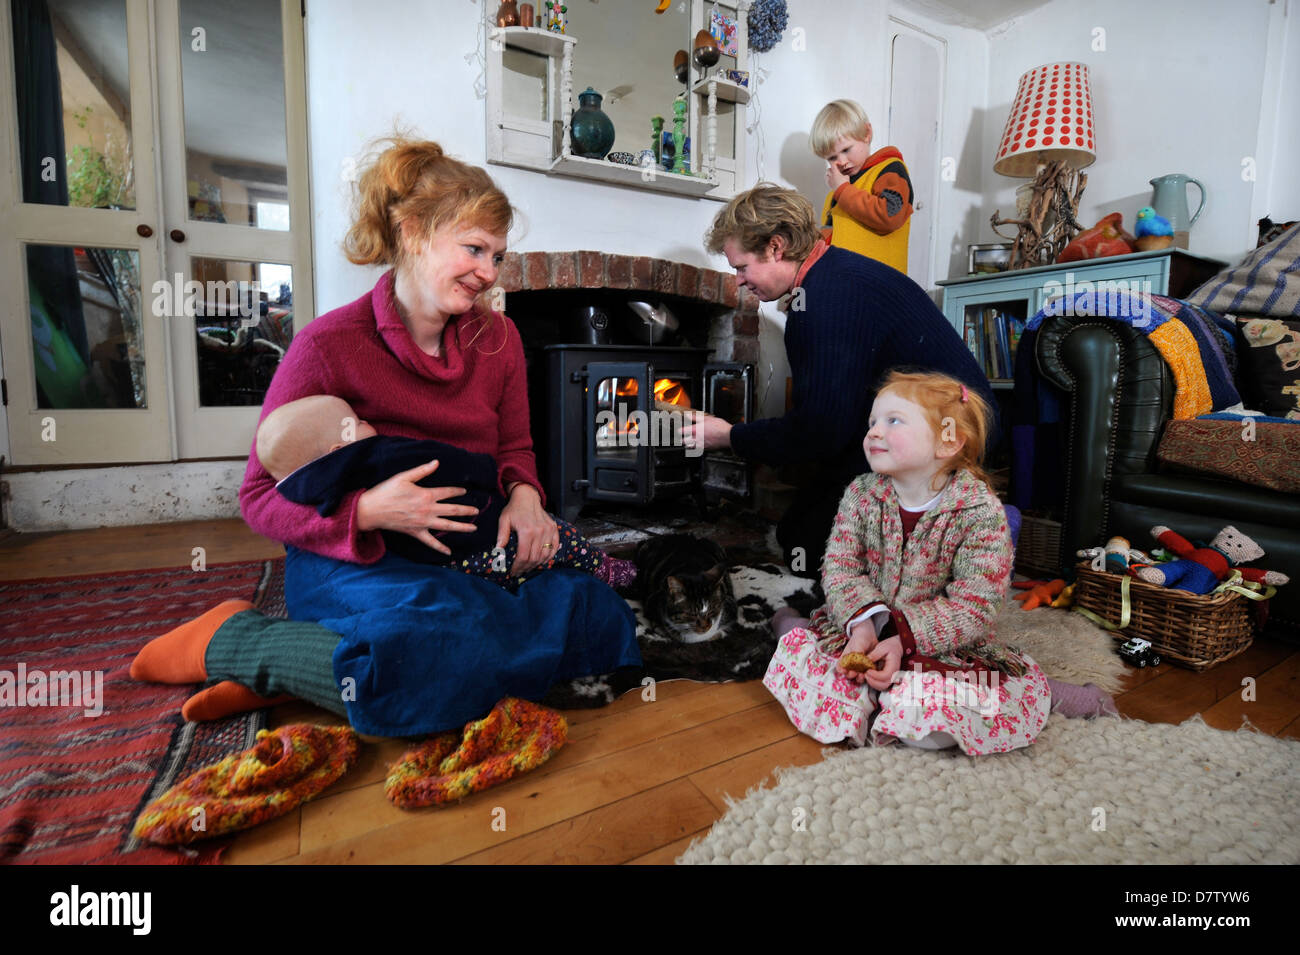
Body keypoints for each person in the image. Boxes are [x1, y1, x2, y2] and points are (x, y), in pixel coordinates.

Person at [130, 138, 640, 733]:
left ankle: (310, 674)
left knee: (599, 616)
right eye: (474, 249)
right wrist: (367, 511)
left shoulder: (498, 341)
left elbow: (514, 450)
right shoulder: (327, 345)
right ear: (413, 231)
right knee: (436, 641)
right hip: (359, 558)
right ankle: (238, 643)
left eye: (498, 256)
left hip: (469, 553)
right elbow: (258, 498)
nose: (488, 272)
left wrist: (526, 497)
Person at [763, 370, 1117, 752]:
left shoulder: (979, 512)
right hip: (864, 627)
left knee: (937, 722)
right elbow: (841, 567)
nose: (873, 432)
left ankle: (1064, 696)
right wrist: (862, 629)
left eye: (892, 421)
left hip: (939, 646)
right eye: (872, 421)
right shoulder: (861, 494)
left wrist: (901, 641)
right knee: (817, 666)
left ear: (948, 442)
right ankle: (794, 627)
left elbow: (975, 605)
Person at [683, 183, 994, 577]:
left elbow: (821, 432)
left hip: (954, 442)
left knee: (804, 544)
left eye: (742, 267)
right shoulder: (832, 275)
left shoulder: (823, 303)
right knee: (799, 526)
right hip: (923, 427)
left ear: (776, 247)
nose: (739, 281)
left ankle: (937, 544)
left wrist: (729, 436)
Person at [258, 393, 636, 590]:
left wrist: (525, 492)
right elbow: (442, 459)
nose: (366, 422)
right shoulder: (382, 452)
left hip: (441, 563)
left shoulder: (310, 487)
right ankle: (607, 569)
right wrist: (486, 472)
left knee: (511, 580)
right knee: (563, 540)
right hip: (485, 533)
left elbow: (516, 443)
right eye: (356, 422)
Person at [811, 99, 913, 274]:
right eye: (832, 158)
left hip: (881, 285)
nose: (841, 162)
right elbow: (829, 240)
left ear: (867, 133)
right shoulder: (838, 192)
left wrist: (843, 190)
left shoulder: (890, 169)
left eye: (846, 150)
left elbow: (889, 217)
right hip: (846, 283)